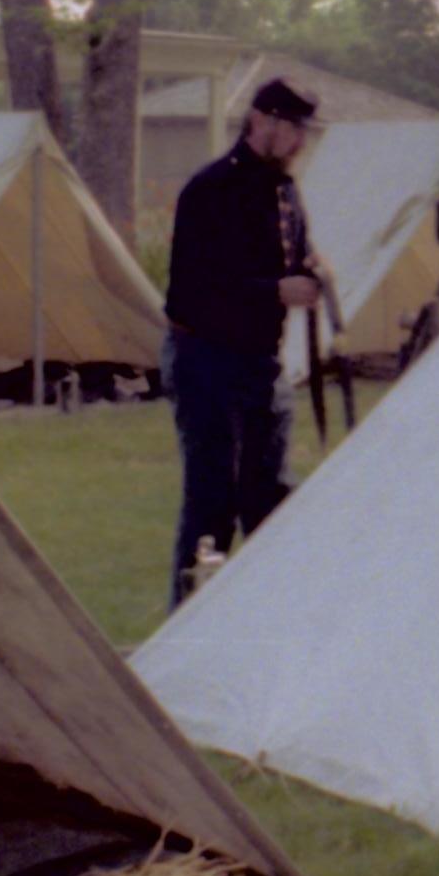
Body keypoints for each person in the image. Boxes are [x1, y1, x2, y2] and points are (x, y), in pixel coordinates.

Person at [163, 77, 321, 606]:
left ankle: (257, 627)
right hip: (207, 361)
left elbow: (289, 258)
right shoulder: (211, 190)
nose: (300, 143)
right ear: (263, 122)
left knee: (268, 501)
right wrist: (274, 289)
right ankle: (186, 628)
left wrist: (310, 272)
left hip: (260, 365)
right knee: (212, 505)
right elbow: (191, 292)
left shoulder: (285, 191)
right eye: (294, 130)